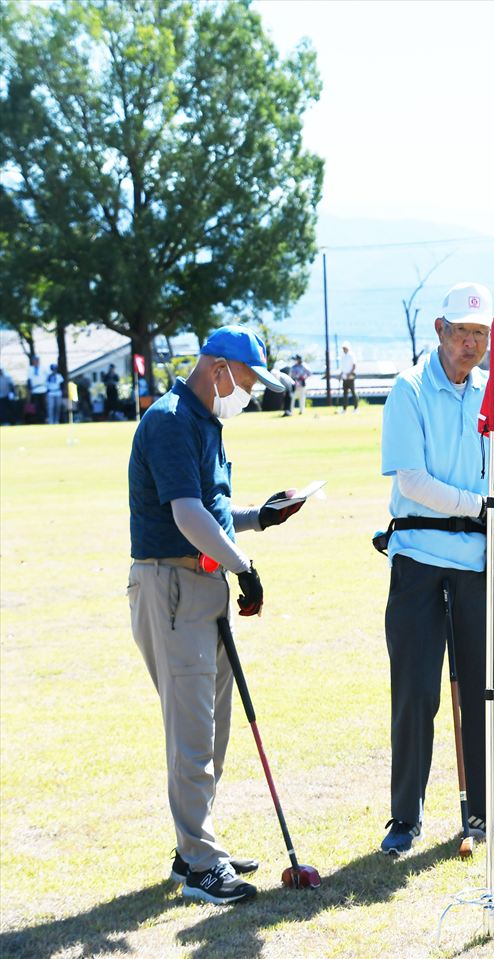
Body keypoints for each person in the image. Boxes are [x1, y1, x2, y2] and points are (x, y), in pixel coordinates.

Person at [127, 324, 306, 905]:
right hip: (173, 585)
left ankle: (194, 848)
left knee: (214, 727)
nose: (249, 392)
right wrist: (244, 564)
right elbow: (185, 515)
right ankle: (200, 863)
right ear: (219, 369)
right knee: (192, 734)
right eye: (248, 380)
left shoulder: (206, 421)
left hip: (204, 586)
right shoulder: (172, 419)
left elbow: (215, 509)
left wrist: (262, 516)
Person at [377, 281, 494, 857]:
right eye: (462, 332)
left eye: (481, 335)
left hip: (474, 563)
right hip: (418, 558)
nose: (471, 344)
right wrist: (480, 504)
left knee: (485, 689)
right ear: (439, 331)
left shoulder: (491, 391)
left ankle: (483, 814)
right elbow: (411, 481)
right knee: (416, 689)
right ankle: (404, 819)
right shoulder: (408, 389)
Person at [339, 341, 358, 411]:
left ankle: (356, 408)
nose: (343, 350)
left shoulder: (351, 355)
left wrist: (350, 374)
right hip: (344, 377)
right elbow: (343, 367)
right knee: (345, 394)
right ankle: (344, 409)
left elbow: (354, 365)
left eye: (344, 348)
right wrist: (341, 374)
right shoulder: (343, 356)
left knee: (353, 393)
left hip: (350, 377)